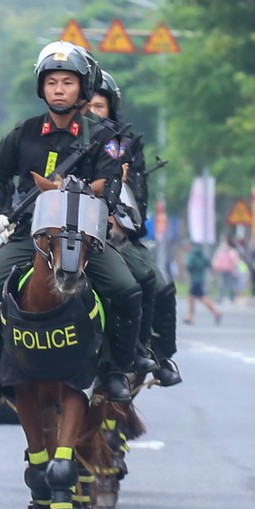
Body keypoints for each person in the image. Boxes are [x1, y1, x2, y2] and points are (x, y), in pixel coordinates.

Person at [0, 40, 145, 411]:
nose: (58, 90)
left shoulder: (103, 138)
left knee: (126, 290)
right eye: (51, 83)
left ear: (84, 88)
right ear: (41, 88)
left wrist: (75, 192)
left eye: (67, 82)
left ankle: (115, 370)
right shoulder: (22, 133)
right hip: (32, 235)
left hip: (83, 237)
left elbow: (111, 185)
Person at [89, 69, 180, 386]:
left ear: (112, 108)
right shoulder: (60, 139)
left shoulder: (123, 146)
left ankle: (155, 353)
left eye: (99, 106)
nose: (92, 112)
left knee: (155, 282)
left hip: (117, 236)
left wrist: (121, 189)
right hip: (65, 234)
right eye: (87, 104)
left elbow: (138, 202)